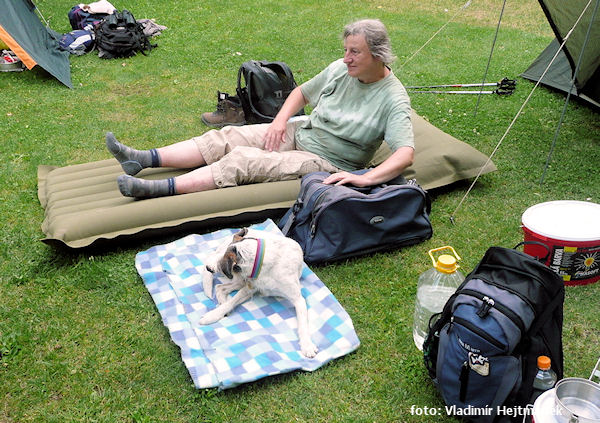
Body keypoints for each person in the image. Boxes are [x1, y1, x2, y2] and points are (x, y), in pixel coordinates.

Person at [107, 18, 414, 199]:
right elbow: (302, 93)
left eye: (354, 52)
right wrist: (281, 121)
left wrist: (365, 178)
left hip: (327, 160)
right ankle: (144, 159)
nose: (346, 57)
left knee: (243, 160)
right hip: (302, 131)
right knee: (227, 137)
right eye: (345, 50)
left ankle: (160, 190)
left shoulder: (392, 97)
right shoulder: (340, 69)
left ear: (377, 54)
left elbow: (404, 154)